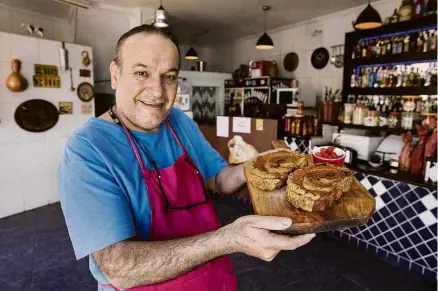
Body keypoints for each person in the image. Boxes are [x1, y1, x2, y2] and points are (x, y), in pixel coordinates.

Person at [58, 24, 315, 291]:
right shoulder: (88, 149)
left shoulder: (178, 121)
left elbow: (219, 179)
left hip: (214, 281)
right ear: (115, 74)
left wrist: (258, 165)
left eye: (168, 77)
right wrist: (228, 240)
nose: (157, 91)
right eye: (141, 73)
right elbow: (119, 268)